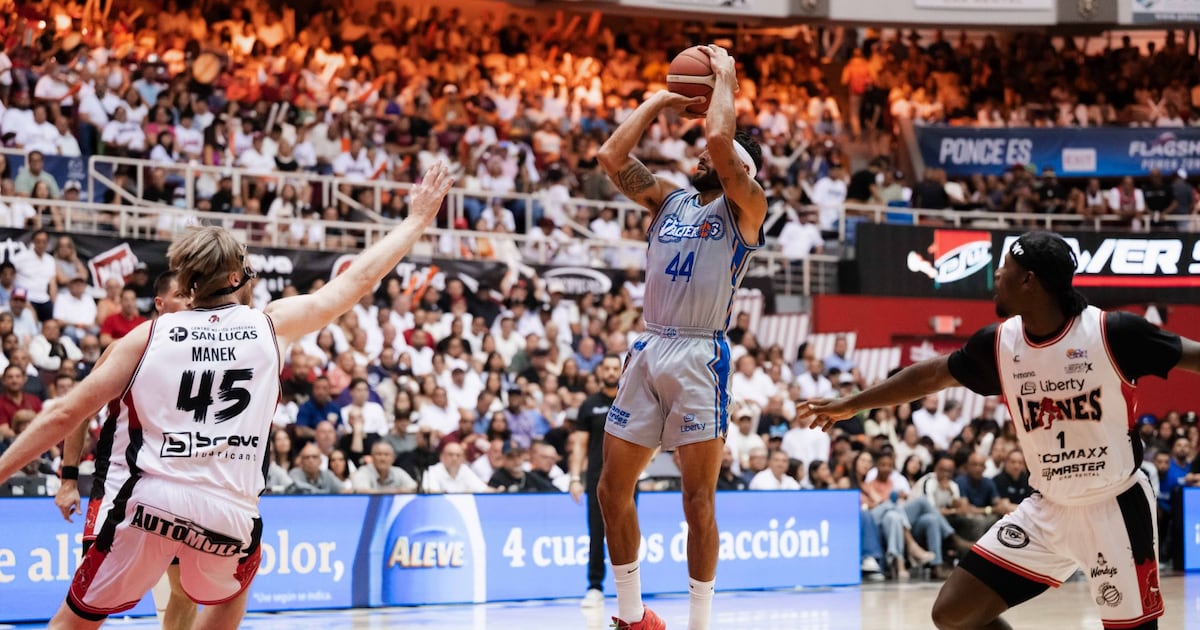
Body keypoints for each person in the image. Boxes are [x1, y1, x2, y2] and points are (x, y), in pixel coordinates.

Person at [0, 162, 453, 628]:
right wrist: (415, 221)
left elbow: (64, 413)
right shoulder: (271, 325)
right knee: (234, 584)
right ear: (238, 275)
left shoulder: (145, 337)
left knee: (73, 622)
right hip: (229, 515)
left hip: (149, 500)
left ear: (186, 281)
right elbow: (355, 282)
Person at [802, 231, 1200, 630]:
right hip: (1048, 509)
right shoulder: (999, 345)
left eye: (1005, 266)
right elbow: (930, 376)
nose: (996, 274)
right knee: (953, 613)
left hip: (1114, 505)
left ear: (1029, 280)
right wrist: (853, 403)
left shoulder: (1112, 332)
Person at [595, 44, 766, 630]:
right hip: (649, 346)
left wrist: (726, 82)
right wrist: (660, 100)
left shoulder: (748, 207)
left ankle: (699, 623)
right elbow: (611, 155)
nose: (699, 156)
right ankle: (632, 616)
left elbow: (719, 140)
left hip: (700, 353)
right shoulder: (668, 201)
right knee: (610, 490)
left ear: (737, 167)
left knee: (698, 502)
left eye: (711, 156)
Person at [54, 270, 195, 630]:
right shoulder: (126, 348)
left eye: (194, 294)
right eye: (182, 295)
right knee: (92, 596)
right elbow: (80, 411)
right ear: (160, 303)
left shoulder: (202, 355)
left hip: (176, 486)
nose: (191, 301)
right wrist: (69, 479)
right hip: (121, 484)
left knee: (184, 589)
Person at [568, 353, 622, 609]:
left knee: (625, 535)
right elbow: (580, 444)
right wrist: (574, 478)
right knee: (597, 533)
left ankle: (627, 589)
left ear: (621, 371)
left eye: (615, 368)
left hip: (626, 480)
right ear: (600, 372)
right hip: (596, 480)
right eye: (607, 368)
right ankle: (595, 587)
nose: (611, 372)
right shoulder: (589, 405)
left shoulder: (631, 401)